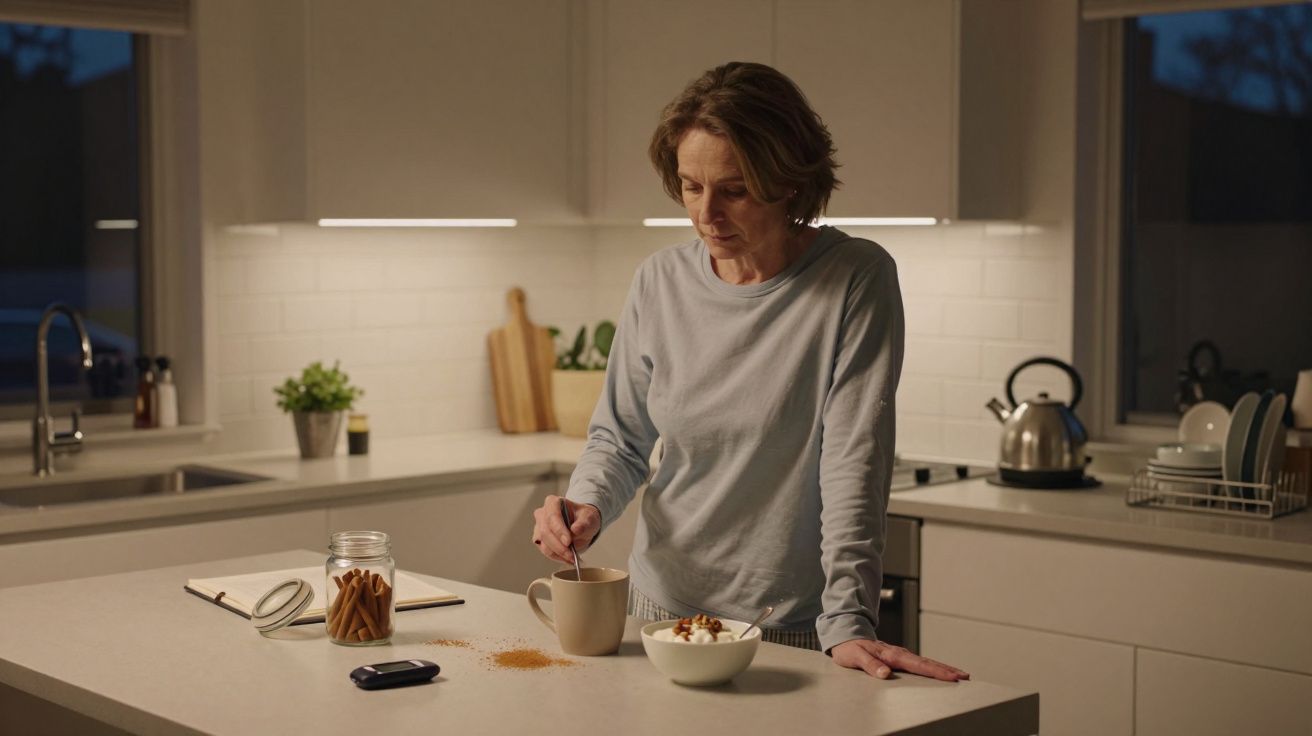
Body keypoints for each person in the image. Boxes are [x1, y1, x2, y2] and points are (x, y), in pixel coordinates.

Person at [531, 61, 968, 682]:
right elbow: (621, 439)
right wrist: (586, 506)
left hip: (788, 621)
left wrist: (848, 620)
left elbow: (854, 461)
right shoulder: (659, 281)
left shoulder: (855, 278)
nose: (707, 213)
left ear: (789, 181)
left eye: (733, 189)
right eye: (689, 186)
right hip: (660, 612)